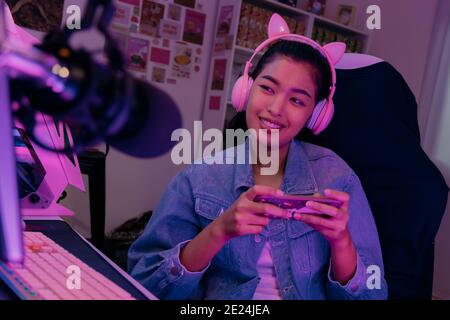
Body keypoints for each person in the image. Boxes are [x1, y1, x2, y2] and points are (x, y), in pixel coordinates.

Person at [128, 16, 388, 300]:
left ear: (316, 114)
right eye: (267, 88)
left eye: (297, 100)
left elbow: (373, 295)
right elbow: (146, 284)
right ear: (246, 89)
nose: (276, 108)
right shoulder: (200, 177)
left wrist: (342, 243)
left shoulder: (337, 177)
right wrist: (218, 231)